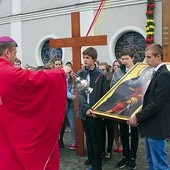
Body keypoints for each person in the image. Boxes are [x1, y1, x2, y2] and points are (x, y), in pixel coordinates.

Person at [0, 35, 72, 170]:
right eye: (14, 53)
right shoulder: (8, 72)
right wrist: (60, 72)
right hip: (11, 129)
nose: (15, 57)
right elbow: (36, 79)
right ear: (7, 52)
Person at [128, 44, 170, 170]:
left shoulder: (164, 75)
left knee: (160, 164)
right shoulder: (156, 73)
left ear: (158, 57)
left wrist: (137, 117)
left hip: (157, 126)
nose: (146, 60)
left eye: (149, 57)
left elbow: (156, 104)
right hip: (151, 124)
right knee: (151, 161)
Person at [77, 47, 109, 170]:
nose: (85, 60)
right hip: (85, 112)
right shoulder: (80, 73)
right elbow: (80, 93)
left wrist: (97, 110)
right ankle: (91, 161)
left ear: (94, 59)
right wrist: (86, 108)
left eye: (87, 58)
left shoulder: (101, 75)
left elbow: (104, 94)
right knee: (89, 138)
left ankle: (97, 165)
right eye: (84, 57)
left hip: (96, 113)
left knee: (96, 139)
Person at [110, 48, 139, 170]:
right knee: (123, 131)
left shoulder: (138, 71)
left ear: (132, 58)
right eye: (123, 59)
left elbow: (142, 85)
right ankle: (125, 156)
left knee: (134, 131)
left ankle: (133, 157)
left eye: (127, 58)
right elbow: (113, 86)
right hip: (121, 105)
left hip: (135, 104)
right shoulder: (118, 72)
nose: (124, 61)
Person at [99, 62, 114, 160]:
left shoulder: (111, 81)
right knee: (101, 131)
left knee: (110, 130)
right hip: (101, 109)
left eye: (103, 70)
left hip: (110, 109)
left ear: (107, 71)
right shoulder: (98, 80)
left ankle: (109, 150)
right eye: (100, 70)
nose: (101, 72)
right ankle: (102, 150)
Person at [111, 59, 123, 153]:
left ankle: (122, 143)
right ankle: (117, 142)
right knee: (115, 125)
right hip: (114, 102)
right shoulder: (112, 76)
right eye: (114, 65)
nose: (116, 67)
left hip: (123, 102)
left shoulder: (123, 73)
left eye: (118, 65)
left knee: (122, 125)